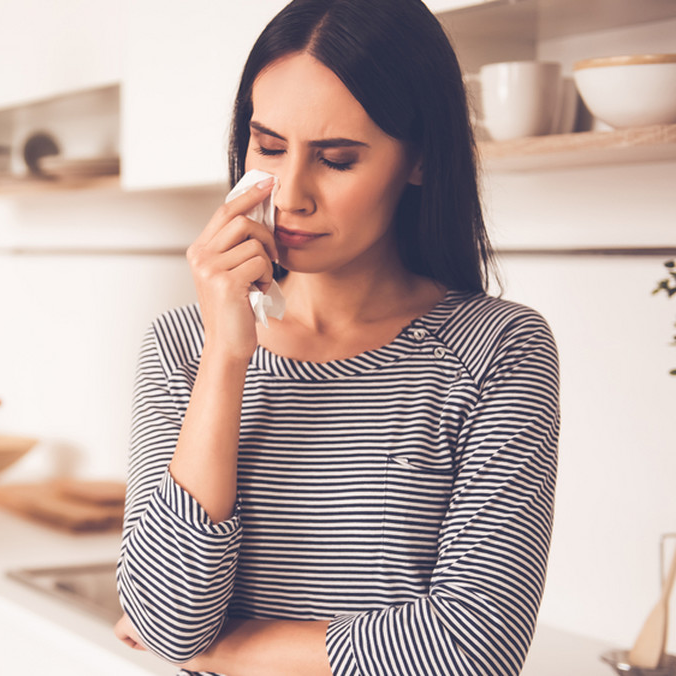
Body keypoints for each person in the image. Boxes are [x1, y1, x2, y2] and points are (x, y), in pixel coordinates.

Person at [113, 1, 560, 674]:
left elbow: (473, 649)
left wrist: (228, 648)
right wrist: (228, 355)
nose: (291, 194)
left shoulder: (498, 351)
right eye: (268, 147)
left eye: (338, 158)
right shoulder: (184, 347)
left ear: (418, 160)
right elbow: (167, 620)